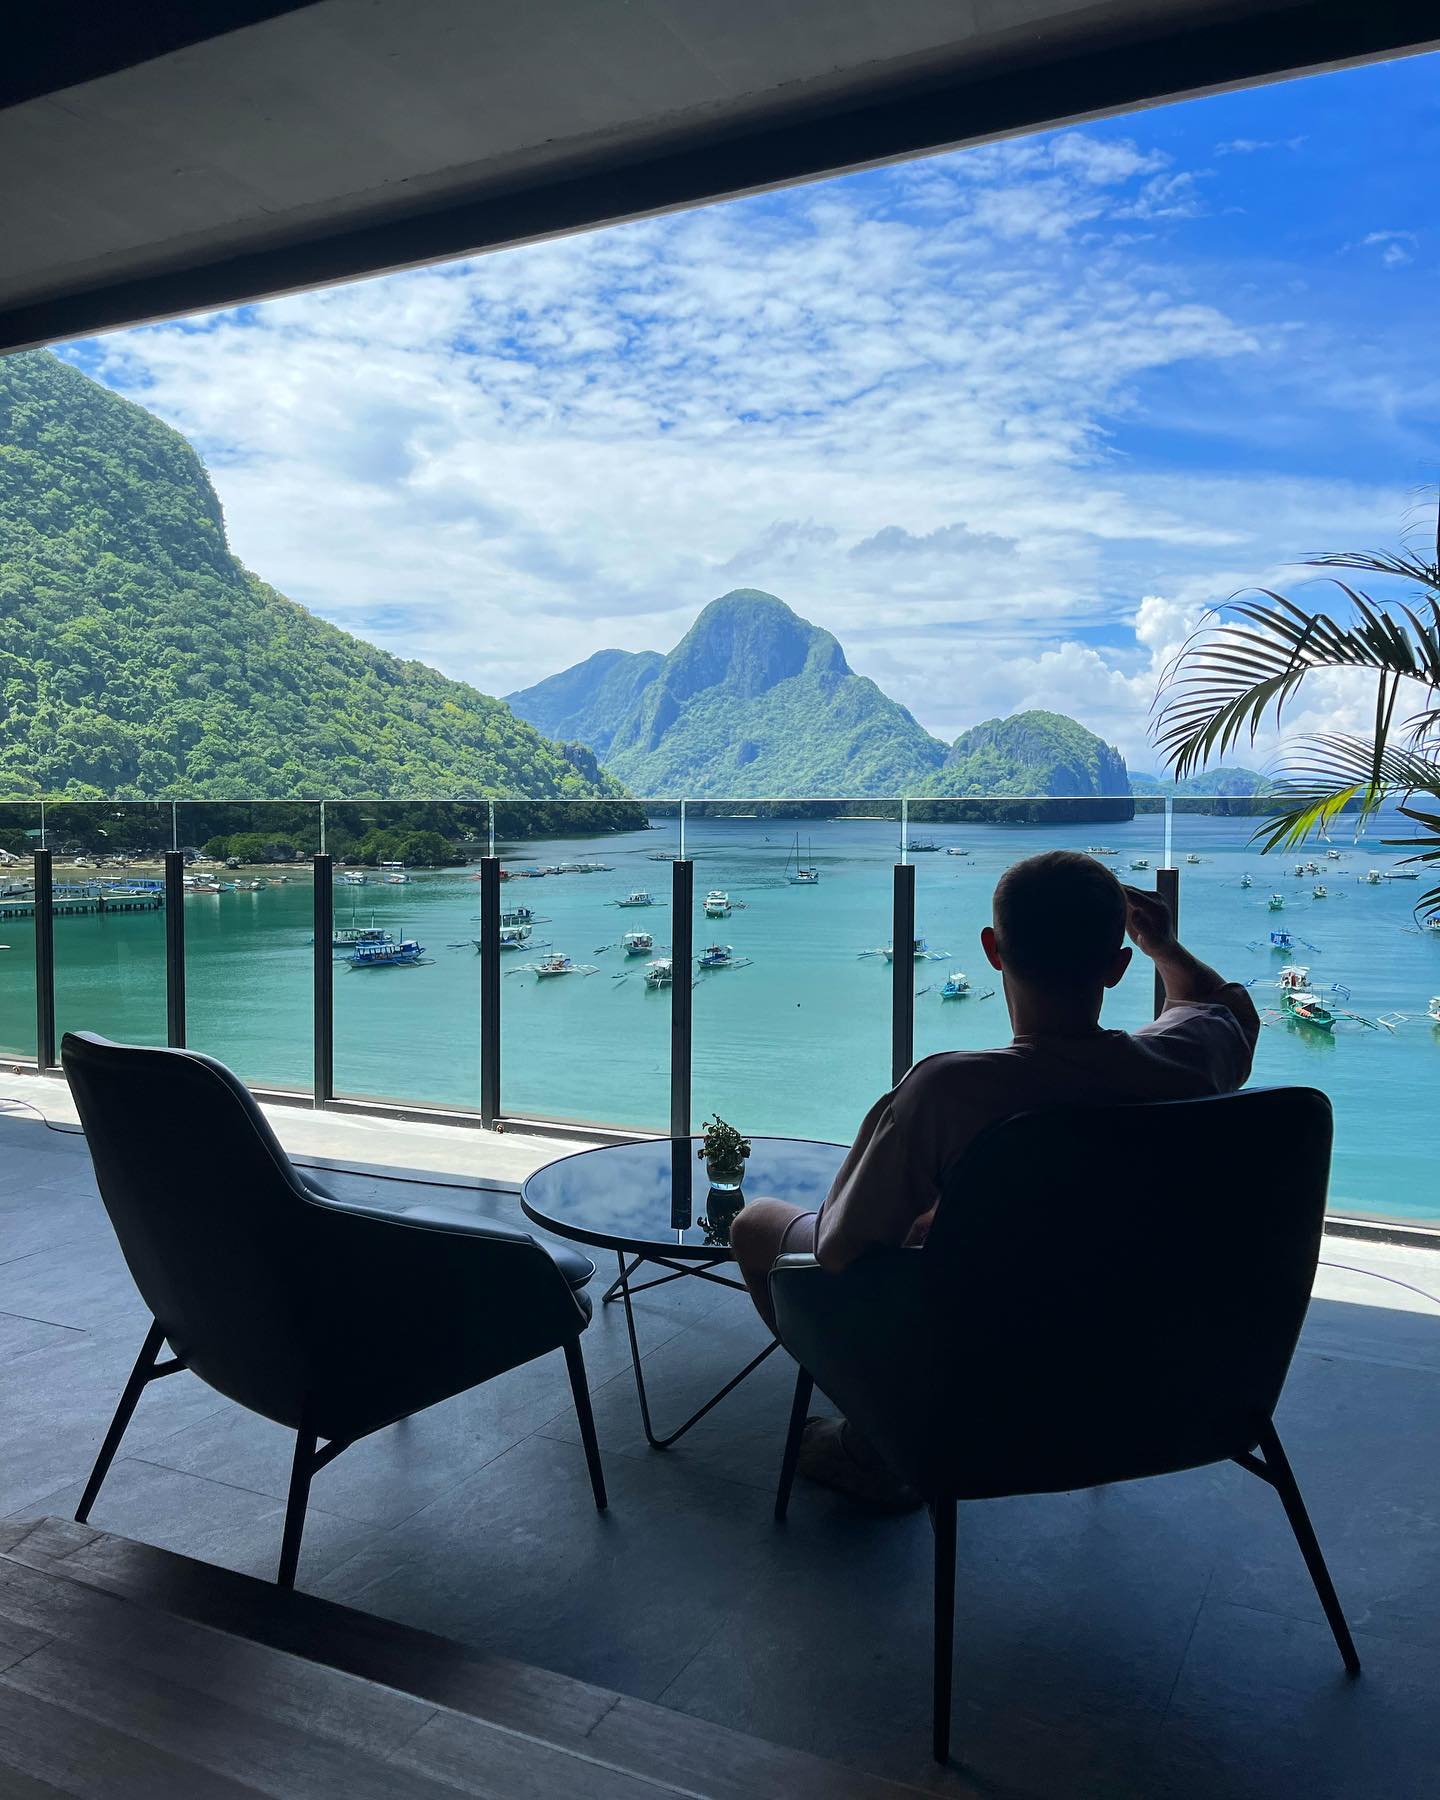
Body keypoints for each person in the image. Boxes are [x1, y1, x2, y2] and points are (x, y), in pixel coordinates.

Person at [729, 850, 1260, 1510]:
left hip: (979, 1382)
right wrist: (1164, 946)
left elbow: (839, 1250)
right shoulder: (1190, 1059)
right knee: (937, 1225)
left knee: (757, 1225)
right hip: (1152, 1369)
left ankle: (877, 1445)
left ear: (992, 950)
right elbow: (1227, 1009)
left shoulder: (950, 1091)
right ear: (1119, 966)